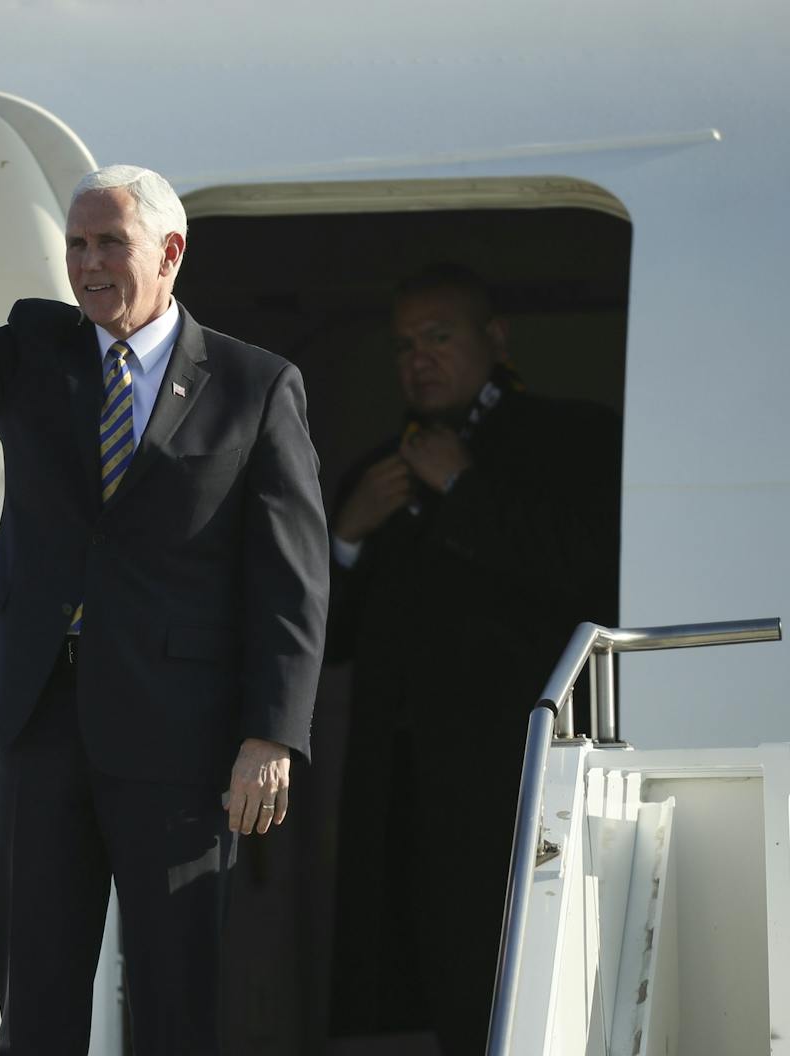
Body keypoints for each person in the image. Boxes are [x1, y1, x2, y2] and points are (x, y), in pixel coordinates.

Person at [0, 130, 329, 1055]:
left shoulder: (254, 385)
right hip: (39, 717)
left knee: (175, 1000)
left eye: (107, 244)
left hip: (181, 737)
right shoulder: (41, 348)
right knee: (36, 1001)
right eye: (76, 246)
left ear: (169, 253)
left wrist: (271, 731)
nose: (86, 265)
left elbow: (292, 574)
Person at [326, 263, 620, 1053]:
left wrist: (464, 487)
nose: (417, 359)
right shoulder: (378, 471)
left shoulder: (576, 437)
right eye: (401, 345)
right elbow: (325, 643)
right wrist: (346, 536)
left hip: (522, 773)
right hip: (401, 787)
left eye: (438, 336)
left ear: (495, 339)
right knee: (410, 984)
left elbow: (593, 579)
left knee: (522, 971)